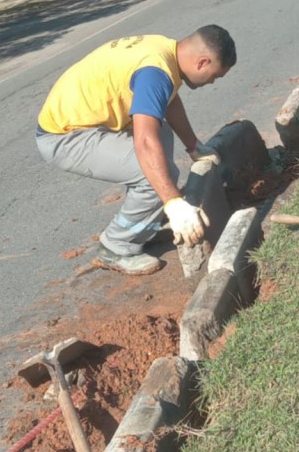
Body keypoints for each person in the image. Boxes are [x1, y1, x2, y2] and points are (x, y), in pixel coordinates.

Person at [35, 27, 237, 275]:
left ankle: (146, 219)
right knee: (154, 175)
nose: (212, 82)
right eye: (215, 75)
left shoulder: (165, 50)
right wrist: (173, 202)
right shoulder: (155, 73)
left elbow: (168, 99)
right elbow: (145, 142)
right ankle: (116, 246)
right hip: (64, 137)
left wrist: (193, 146)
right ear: (202, 62)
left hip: (87, 122)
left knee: (159, 136)